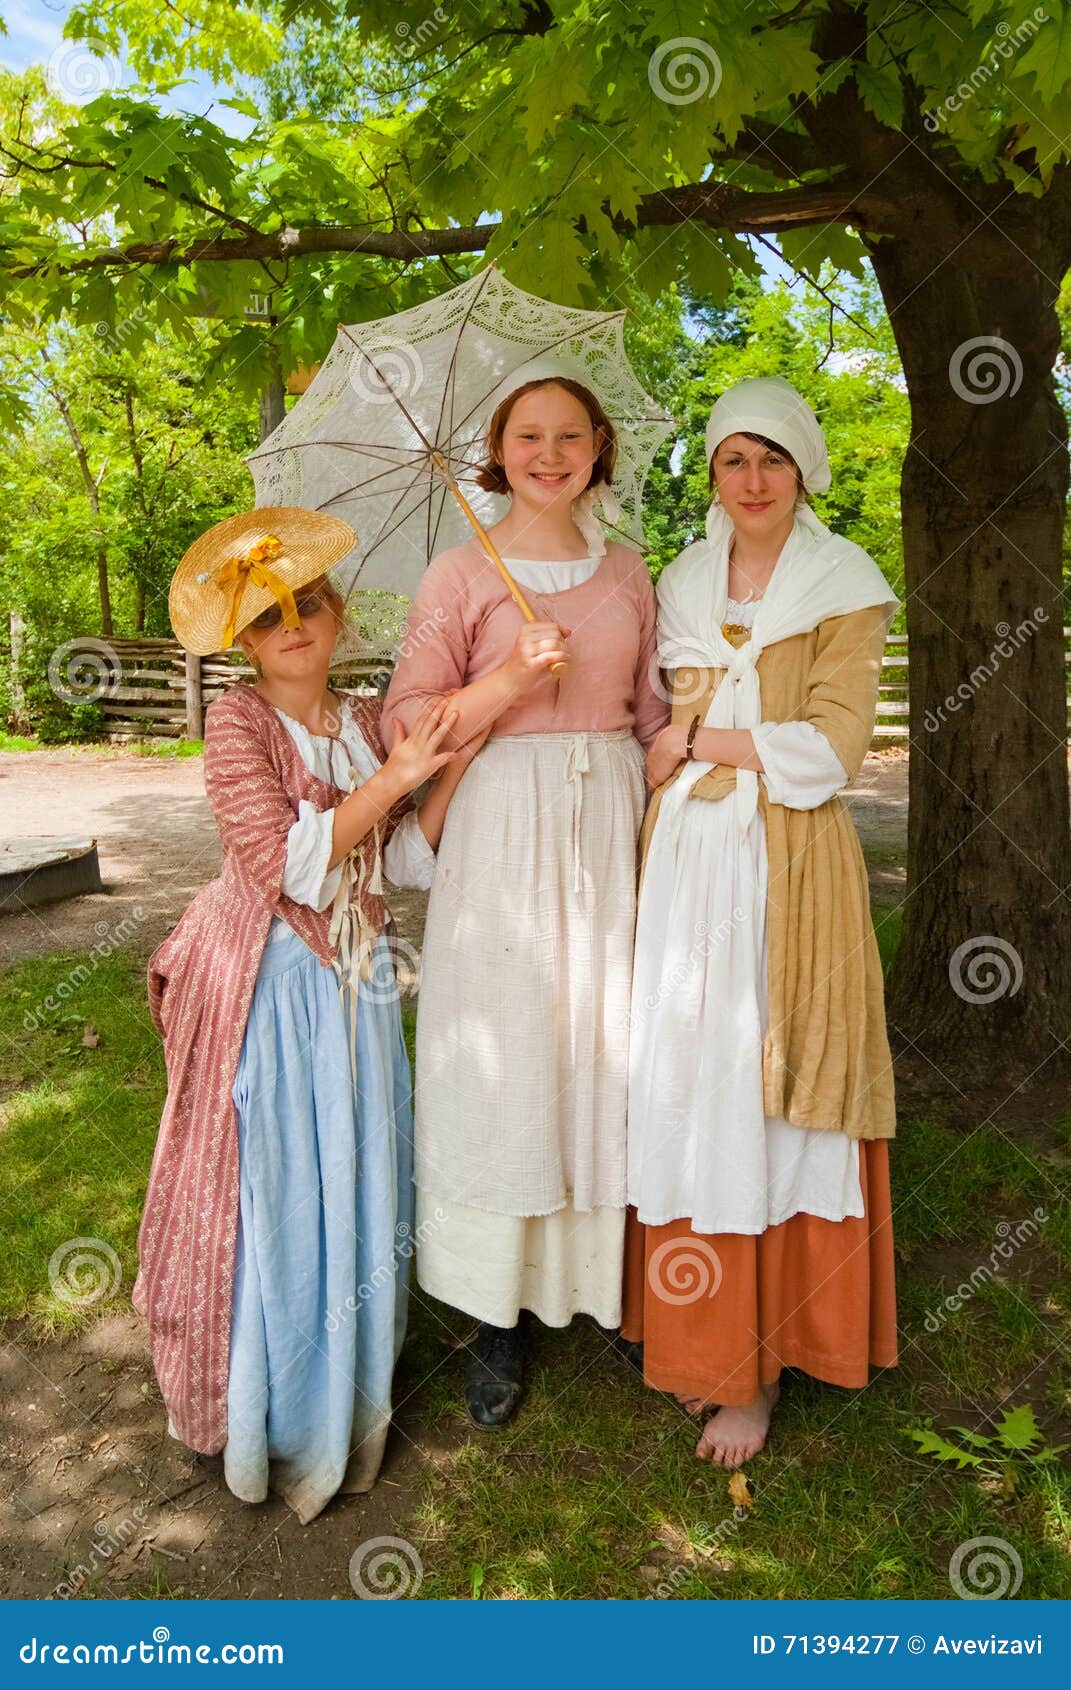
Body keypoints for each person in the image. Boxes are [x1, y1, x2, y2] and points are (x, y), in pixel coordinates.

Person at [134, 507, 476, 1523]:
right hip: (267, 982)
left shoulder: (369, 720)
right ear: (243, 639)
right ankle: (270, 1410)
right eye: (268, 613)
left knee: (356, 1167)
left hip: (360, 980)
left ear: (336, 619)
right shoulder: (235, 720)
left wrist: (441, 769)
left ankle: (348, 1395)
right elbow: (280, 860)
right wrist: (398, 778)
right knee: (278, 1182)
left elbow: (402, 860)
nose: (292, 622)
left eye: (308, 603)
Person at [382, 365, 668, 1426]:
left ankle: (604, 1288)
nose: (549, 453)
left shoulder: (633, 571)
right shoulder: (458, 573)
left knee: (606, 1046)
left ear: (599, 447)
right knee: (501, 1057)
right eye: (527, 436)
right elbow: (404, 722)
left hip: (607, 824)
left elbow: (650, 711)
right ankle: (493, 1313)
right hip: (501, 822)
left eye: (570, 435)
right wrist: (503, 681)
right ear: (497, 453)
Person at [622, 377, 899, 1468]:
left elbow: (829, 748)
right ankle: (706, 1342)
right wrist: (676, 739)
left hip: (788, 868)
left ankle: (767, 1364)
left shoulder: (842, 582)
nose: (752, 480)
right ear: (714, 472)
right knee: (692, 1081)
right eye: (734, 459)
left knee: (771, 1086)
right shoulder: (680, 580)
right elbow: (656, 716)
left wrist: (697, 740)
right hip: (687, 866)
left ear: (804, 471)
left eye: (772, 460)